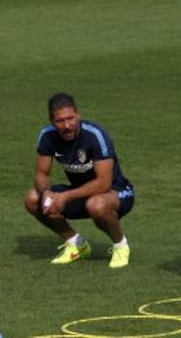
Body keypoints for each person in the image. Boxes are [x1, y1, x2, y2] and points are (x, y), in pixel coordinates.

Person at [24, 93, 135, 269]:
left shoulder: (95, 135)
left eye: (71, 118)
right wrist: (46, 193)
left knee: (96, 205)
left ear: (78, 115)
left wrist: (65, 197)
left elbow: (104, 183)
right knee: (32, 198)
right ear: (52, 121)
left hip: (116, 192)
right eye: (60, 121)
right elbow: (41, 173)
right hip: (81, 192)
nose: (67, 125)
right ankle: (77, 244)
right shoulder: (47, 136)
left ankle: (121, 245)